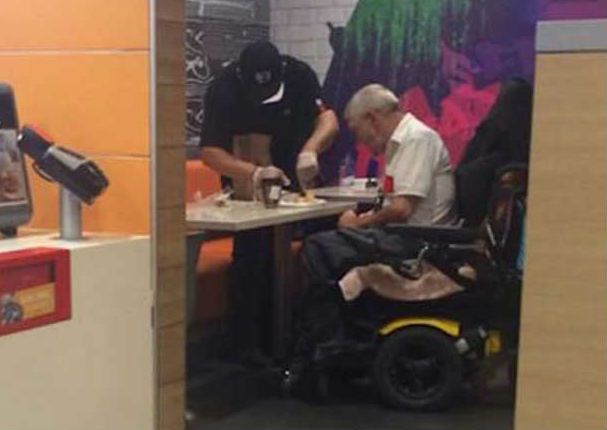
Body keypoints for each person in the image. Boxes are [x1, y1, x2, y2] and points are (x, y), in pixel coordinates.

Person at [285, 83, 457, 389]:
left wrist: (359, 225)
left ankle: (330, 345)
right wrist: (363, 219)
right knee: (324, 244)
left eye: (357, 129)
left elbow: (402, 209)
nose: (359, 139)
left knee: (316, 249)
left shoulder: (415, 140)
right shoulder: (402, 142)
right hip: (404, 234)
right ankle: (331, 339)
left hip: (416, 241)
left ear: (373, 118)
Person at [199, 40, 339, 365]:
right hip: (248, 189)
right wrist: (254, 172)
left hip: (298, 180)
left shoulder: (299, 75)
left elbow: (328, 120)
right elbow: (210, 152)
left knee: (321, 244)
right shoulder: (224, 89)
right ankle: (248, 346)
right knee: (252, 254)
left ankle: (301, 337)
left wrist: (311, 151)